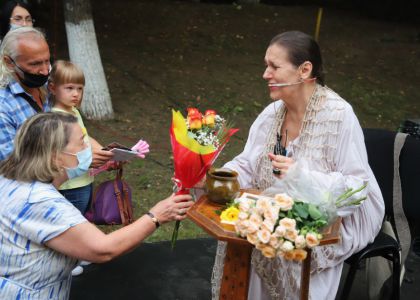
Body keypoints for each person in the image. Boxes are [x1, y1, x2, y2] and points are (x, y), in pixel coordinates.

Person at [211, 31, 385, 300]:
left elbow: (357, 188)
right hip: (274, 212)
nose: (265, 74)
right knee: (251, 237)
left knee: (276, 243)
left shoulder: (338, 116)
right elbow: (248, 163)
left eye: (274, 66)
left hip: (328, 220)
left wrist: (301, 177)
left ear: (304, 70)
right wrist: (217, 176)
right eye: (266, 65)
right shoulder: (272, 113)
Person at [0, 112, 194, 299]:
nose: (89, 148)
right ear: (55, 156)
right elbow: (103, 249)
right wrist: (156, 216)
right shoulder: (40, 201)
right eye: (82, 142)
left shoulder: (11, 180)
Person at [0, 26, 113, 167]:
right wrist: (78, 160)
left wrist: (104, 154)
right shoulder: (3, 107)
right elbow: (11, 165)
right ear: (9, 62)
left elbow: (73, 133)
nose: (44, 71)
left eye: (47, 61)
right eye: (34, 64)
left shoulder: (52, 85)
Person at [48, 60, 104, 276]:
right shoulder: (57, 117)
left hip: (84, 179)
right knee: (70, 223)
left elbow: (85, 138)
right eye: (69, 88)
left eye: (79, 89)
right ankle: (67, 262)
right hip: (70, 184)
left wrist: (104, 152)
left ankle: (78, 254)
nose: (75, 94)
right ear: (53, 88)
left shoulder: (73, 112)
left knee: (81, 217)